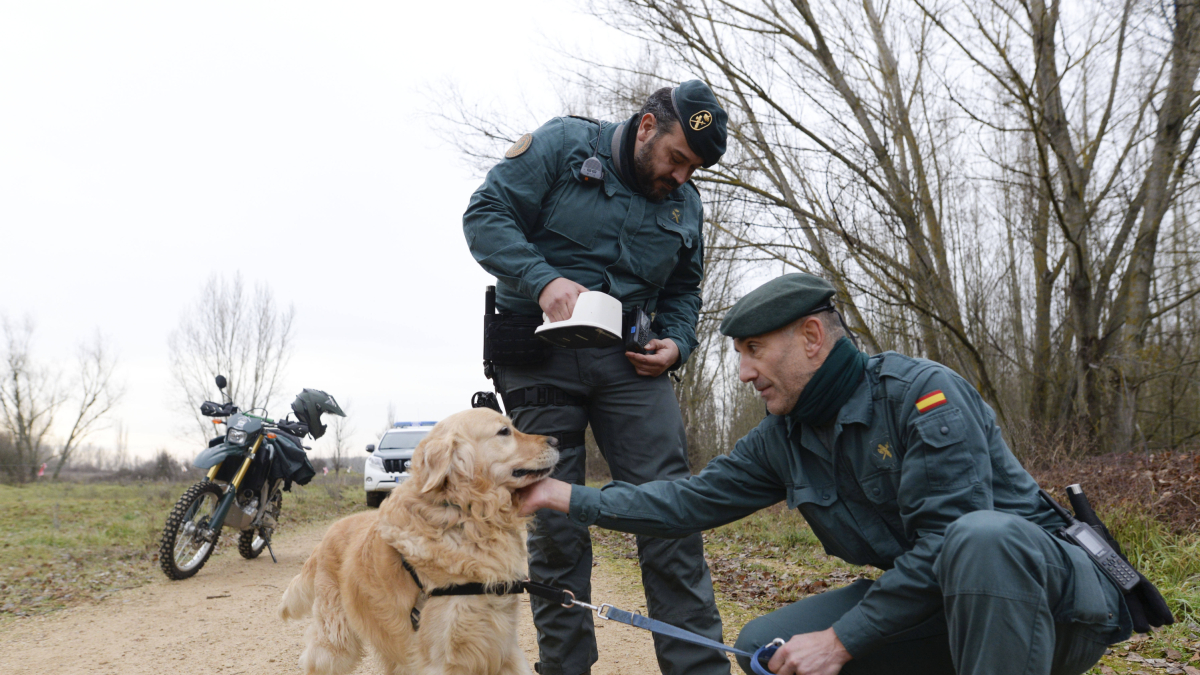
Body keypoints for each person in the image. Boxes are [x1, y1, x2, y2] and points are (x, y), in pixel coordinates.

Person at [518, 273, 1142, 675]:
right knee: (771, 643)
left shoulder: (923, 395)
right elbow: (687, 501)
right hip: (942, 610)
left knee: (980, 538)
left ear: (812, 336)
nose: (742, 372)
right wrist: (560, 494)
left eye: (753, 351)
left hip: (1051, 609)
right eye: (737, 355)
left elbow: (946, 544)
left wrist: (841, 641)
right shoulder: (782, 438)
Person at [462, 81, 732, 675]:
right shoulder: (561, 146)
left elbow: (684, 291)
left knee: (669, 512)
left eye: (695, 169)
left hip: (630, 362)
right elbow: (485, 216)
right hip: (538, 354)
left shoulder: (686, 206)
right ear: (645, 127)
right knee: (554, 527)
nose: (682, 177)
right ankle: (566, 668)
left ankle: (698, 669)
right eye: (677, 158)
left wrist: (678, 344)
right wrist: (542, 279)